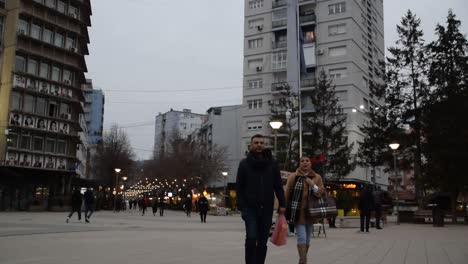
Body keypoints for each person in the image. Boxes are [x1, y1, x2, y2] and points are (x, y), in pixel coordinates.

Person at [236, 134, 286, 264]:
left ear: (264, 145)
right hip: (250, 208)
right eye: (256, 143)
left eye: (261, 143)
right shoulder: (244, 164)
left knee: (263, 241)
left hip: (267, 208)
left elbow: (278, 186)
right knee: (252, 238)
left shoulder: (272, 164)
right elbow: (239, 186)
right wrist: (241, 206)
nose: (259, 145)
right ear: (250, 146)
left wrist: (282, 203)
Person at [285, 156, 325, 264]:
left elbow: (321, 192)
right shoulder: (293, 176)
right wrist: (282, 208)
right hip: (297, 212)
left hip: (311, 212)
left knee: (307, 239)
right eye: (302, 161)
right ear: (299, 164)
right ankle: (303, 260)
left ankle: (302, 259)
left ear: (310, 163)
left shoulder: (317, 177)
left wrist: (312, 185)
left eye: (307, 161)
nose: (305, 163)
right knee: (301, 238)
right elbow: (287, 193)